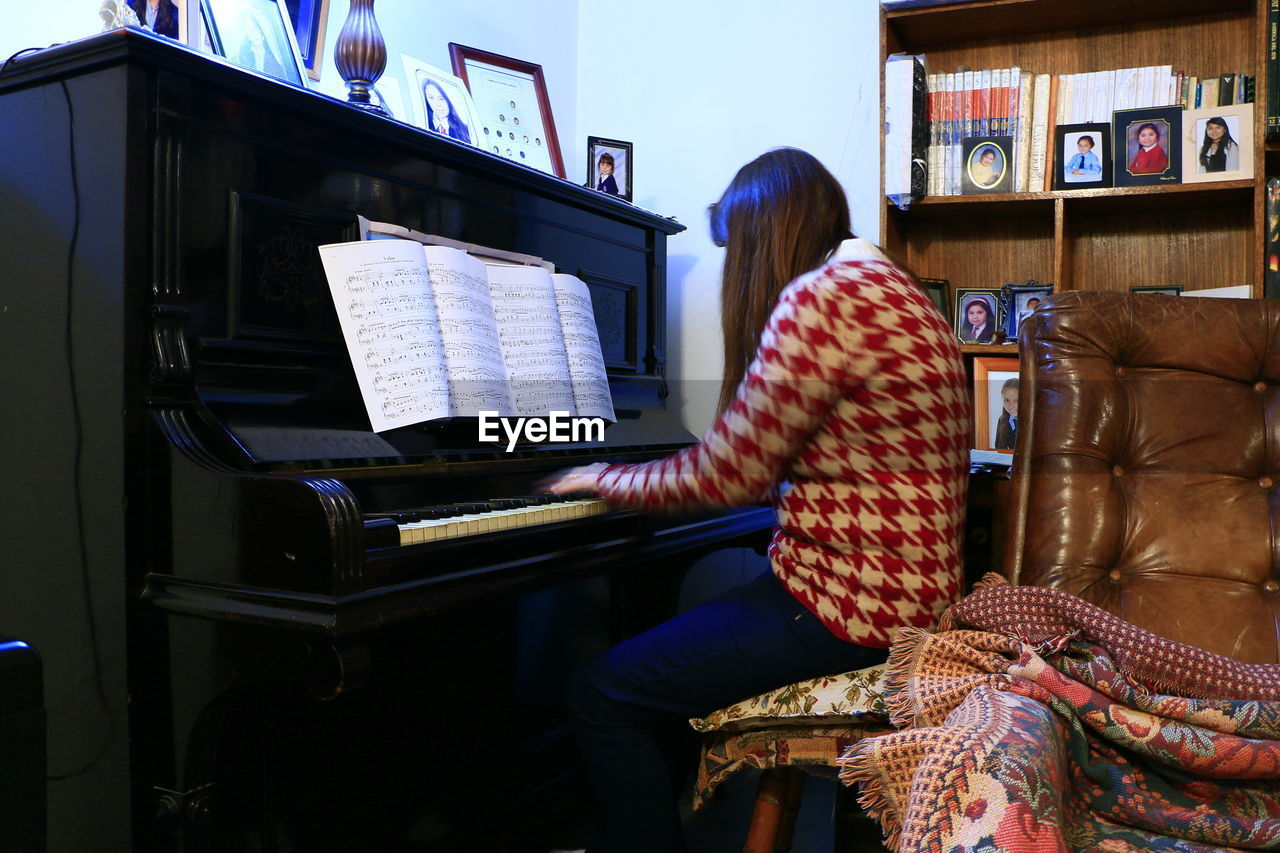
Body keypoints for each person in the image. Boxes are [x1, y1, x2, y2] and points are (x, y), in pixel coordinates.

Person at [542, 148, 970, 853]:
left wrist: (603, 477)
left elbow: (726, 477)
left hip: (847, 610)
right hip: (910, 603)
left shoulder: (824, 298)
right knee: (661, 674)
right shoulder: (899, 291)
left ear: (764, 236)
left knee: (602, 694)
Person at [236, 9, 287, 80]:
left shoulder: (276, 58)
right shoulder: (241, 55)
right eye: (249, 29)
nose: (253, 33)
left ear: (262, 30)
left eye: (255, 28)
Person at [421, 79, 472, 143]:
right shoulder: (422, 124)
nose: (438, 104)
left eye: (441, 98)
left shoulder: (465, 130)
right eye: (431, 98)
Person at [994, 377, 1019, 450]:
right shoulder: (1002, 420)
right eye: (1007, 400)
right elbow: (998, 448)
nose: (1011, 406)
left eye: (1016, 400)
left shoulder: (1033, 421)